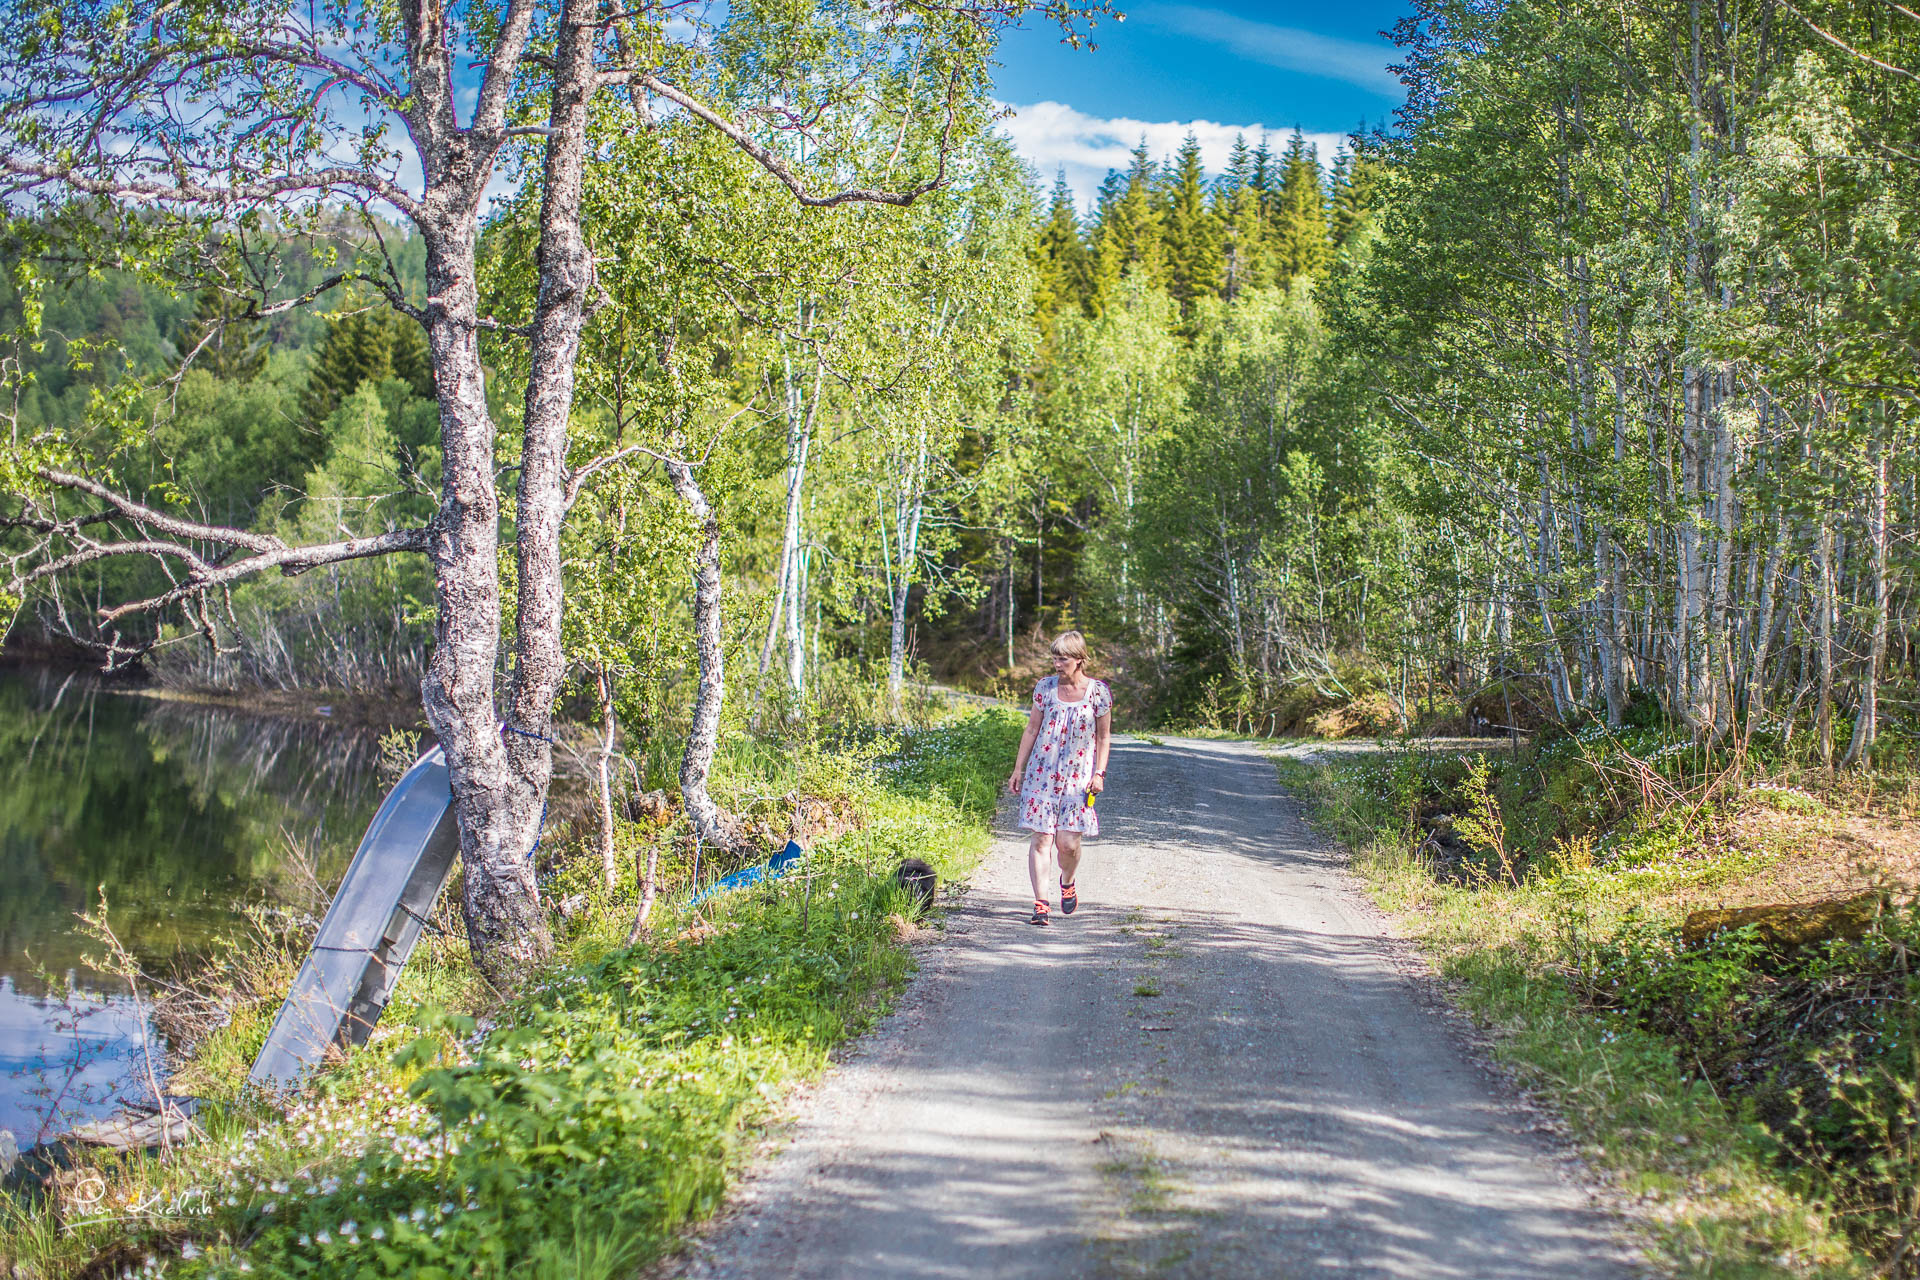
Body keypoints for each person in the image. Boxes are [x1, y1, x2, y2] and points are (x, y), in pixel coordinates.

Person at [1005, 630, 1112, 925]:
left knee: (1068, 844)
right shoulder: (1045, 688)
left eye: (1062, 658)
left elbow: (1103, 738)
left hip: (1078, 780)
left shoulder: (1097, 693)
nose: (1056, 663)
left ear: (1079, 660)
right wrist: (1018, 769)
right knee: (1041, 839)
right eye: (1054, 657)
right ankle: (1041, 904)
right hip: (1041, 776)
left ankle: (1068, 881)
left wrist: (1099, 773)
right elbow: (1031, 730)